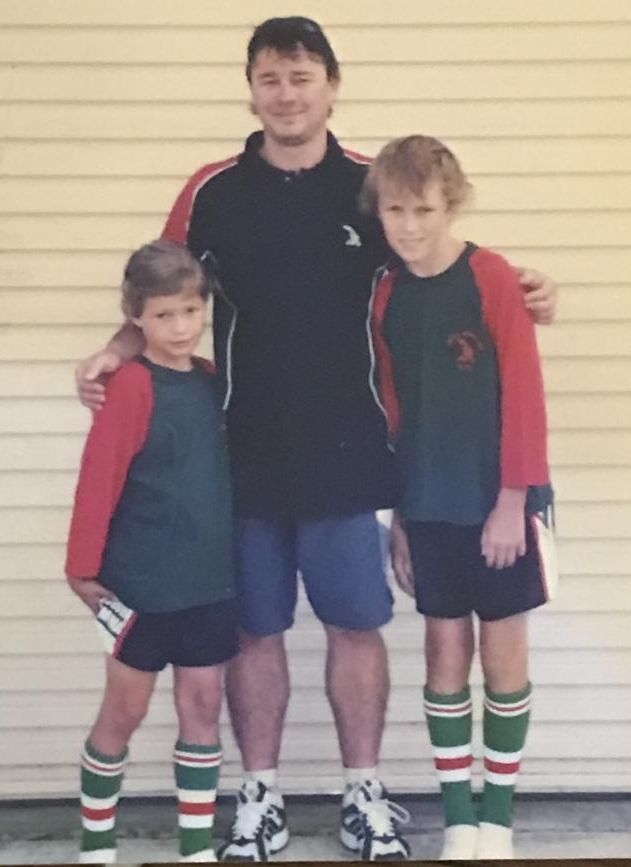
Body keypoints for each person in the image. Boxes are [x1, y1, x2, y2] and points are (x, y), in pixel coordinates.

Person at [74, 17, 558, 862]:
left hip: (353, 455)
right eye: (269, 78)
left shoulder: (374, 186)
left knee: (353, 626)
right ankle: (257, 794)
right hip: (244, 452)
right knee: (255, 631)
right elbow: (162, 289)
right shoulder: (213, 189)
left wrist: (525, 285)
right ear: (251, 88)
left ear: (332, 84)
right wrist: (114, 354)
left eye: (301, 76)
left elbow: (439, 258)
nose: (286, 94)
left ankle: (363, 790)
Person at [365, 135, 558, 860]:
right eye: (394, 209)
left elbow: (526, 396)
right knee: (444, 652)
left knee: (503, 655)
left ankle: (498, 819)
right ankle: (458, 819)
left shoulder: (493, 277)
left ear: (451, 205)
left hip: (499, 498)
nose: (409, 224)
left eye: (423, 209)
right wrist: (399, 520)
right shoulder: (386, 291)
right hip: (427, 503)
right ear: (379, 210)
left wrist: (513, 498)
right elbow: (391, 407)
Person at [66, 240, 239, 863]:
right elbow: (100, 475)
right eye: (164, 315)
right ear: (135, 316)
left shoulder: (214, 382)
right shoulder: (131, 386)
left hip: (210, 583)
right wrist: (82, 569)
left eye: (191, 312)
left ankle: (195, 849)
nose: (180, 328)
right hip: (140, 585)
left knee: (202, 707)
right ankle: (97, 845)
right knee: (125, 710)